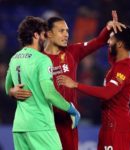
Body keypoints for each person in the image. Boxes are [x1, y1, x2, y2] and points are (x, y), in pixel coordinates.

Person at [8, 12, 125, 150]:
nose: (66, 34)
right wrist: (11, 91)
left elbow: (98, 42)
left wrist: (108, 28)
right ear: (49, 34)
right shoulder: (38, 59)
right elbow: (17, 81)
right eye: (61, 31)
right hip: (46, 122)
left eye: (67, 31)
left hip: (68, 123)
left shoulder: (72, 52)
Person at [5, 16, 80, 150]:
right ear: (36, 35)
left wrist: (12, 92)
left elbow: (7, 88)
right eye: (43, 34)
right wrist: (71, 109)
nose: (45, 38)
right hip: (41, 126)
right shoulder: (42, 60)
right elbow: (49, 93)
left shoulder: (14, 58)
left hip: (19, 127)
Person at [57, 26, 130, 150]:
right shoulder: (120, 63)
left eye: (111, 39)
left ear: (120, 44)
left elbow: (107, 93)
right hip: (109, 125)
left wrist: (76, 84)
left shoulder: (124, 68)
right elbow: (106, 46)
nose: (108, 42)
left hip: (117, 127)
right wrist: (110, 28)